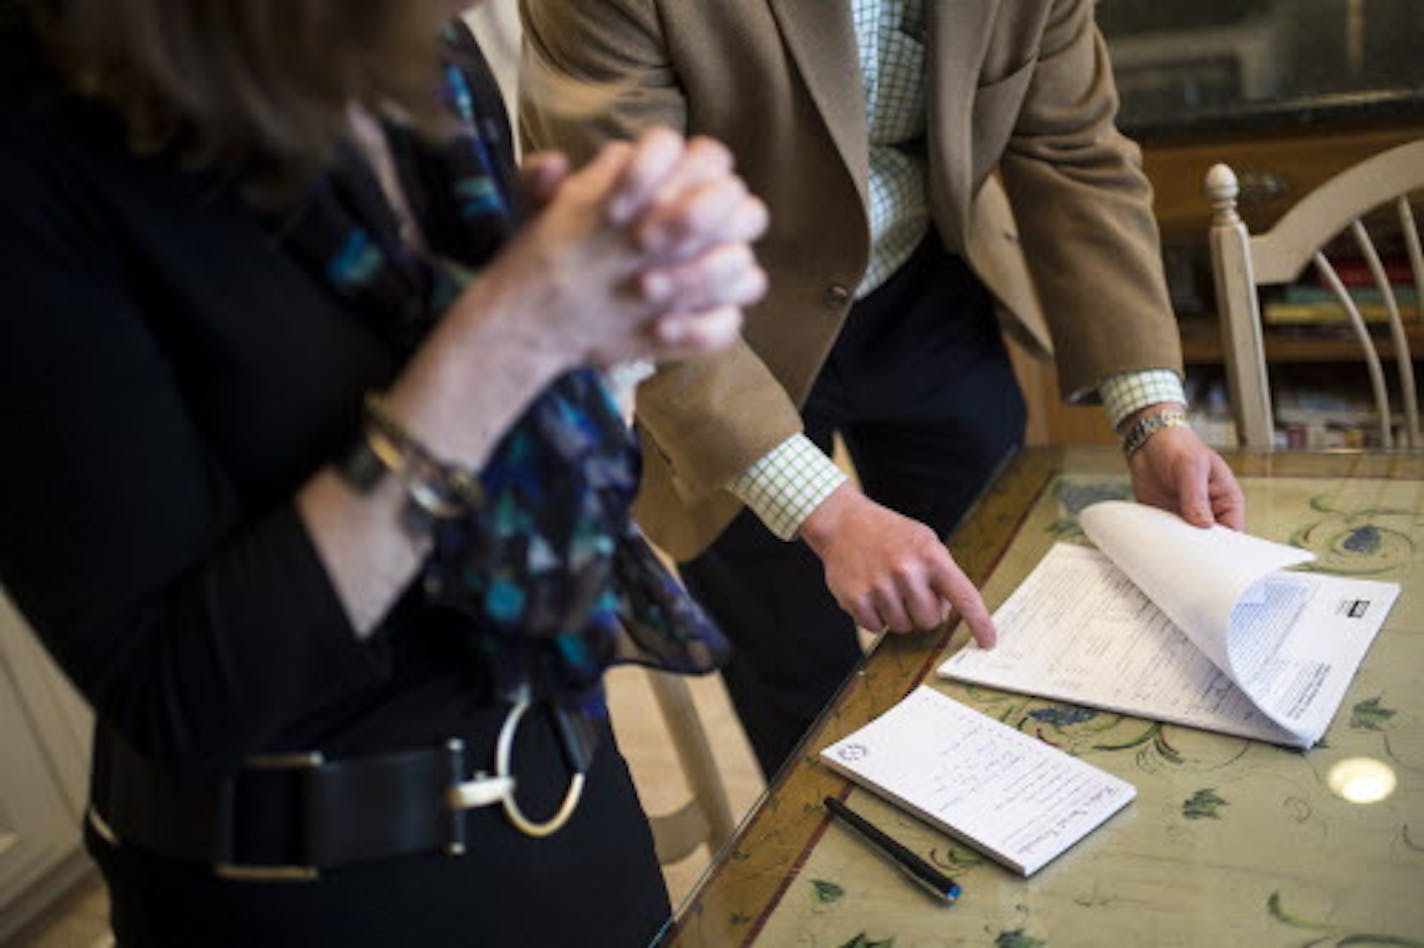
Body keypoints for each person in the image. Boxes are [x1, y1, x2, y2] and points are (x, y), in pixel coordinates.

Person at [0, 0, 769, 944]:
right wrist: (516, 331)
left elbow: (551, 477)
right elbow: (183, 700)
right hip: (317, 890)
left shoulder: (422, 52)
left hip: (560, 802)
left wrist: (614, 332)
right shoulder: (36, 151)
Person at [519, 0, 1248, 778]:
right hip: (717, 331)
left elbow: (1074, 155)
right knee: (804, 691)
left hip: (921, 282)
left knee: (1003, 614)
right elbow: (623, 248)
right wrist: (823, 511)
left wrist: (1151, 418)